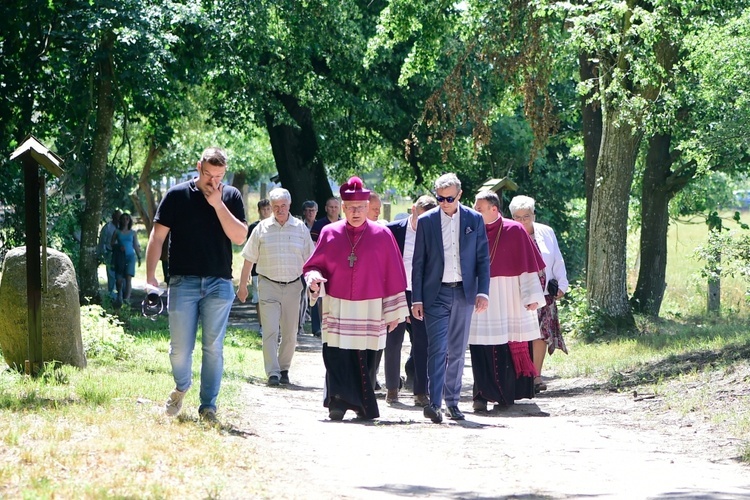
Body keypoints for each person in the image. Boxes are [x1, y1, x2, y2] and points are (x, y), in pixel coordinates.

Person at [145, 147, 247, 424]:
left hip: (219, 282)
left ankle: (208, 406)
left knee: (213, 347)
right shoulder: (177, 195)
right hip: (182, 281)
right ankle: (181, 387)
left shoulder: (230, 196)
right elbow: (157, 238)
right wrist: (151, 276)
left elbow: (239, 237)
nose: (213, 181)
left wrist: (218, 204)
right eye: (209, 174)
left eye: (219, 176)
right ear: (198, 166)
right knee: (180, 349)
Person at [303, 177, 408, 421]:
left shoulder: (382, 234)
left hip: (370, 307)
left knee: (365, 358)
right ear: (343, 208)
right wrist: (314, 278)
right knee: (336, 354)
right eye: (350, 208)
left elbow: (393, 274)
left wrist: (393, 313)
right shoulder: (329, 232)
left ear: (368, 207)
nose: (356, 212)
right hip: (337, 305)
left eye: (360, 208)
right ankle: (337, 403)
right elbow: (314, 266)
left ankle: (362, 405)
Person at [411, 173, 490, 423]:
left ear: (459, 195)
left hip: (464, 292)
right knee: (438, 349)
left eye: (449, 198)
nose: (444, 202)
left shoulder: (474, 219)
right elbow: (418, 263)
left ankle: (453, 402)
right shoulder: (426, 221)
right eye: (440, 198)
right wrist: (417, 299)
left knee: (457, 350)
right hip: (436, 293)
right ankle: (434, 403)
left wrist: (482, 292)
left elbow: (482, 259)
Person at [469, 191, 546, 411]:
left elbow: (528, 267)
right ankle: (480, 395)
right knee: (479, 345)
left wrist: (531, 296)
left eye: (479, 209)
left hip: (509, 295)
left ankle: (505, 395)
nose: (475, 212)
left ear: (494, 209)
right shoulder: (471, 230)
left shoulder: (514, 229)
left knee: (504, 345)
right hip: (480, 294)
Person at [237, 188, 314, 386]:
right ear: (270, 208)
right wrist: (243, 285)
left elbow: (311, 260)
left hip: (293, 286)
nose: (280, 210)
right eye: (276, 207)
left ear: (289, 206)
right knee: (270, 330)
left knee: (290, 332)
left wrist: (313, 282)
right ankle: (272, 372)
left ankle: (284, 368)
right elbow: (248, 259)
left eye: (283, 206)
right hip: (268, 284)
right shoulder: (261, 229)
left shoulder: (300, 228)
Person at [509, 195, 569, 393]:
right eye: (517, 217)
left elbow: (557, 260)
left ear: (533, 215)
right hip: (519, 293)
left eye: (526, 216)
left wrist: (562, 284)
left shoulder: (546, 232)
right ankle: (520, 375)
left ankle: (536, 375)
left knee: (541, 334)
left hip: (544, 293)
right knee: (519, 335)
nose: (522, 221)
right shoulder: (509, 233)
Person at [385, 195, 437, 406]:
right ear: (412, 210)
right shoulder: (392, 230)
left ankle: (420, 391)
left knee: (422, 342)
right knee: (393, 340)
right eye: (420, 217)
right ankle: (392, 389)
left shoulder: (435, 233)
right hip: (396, 292)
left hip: (422, 294)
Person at [309, 196, 341, 337]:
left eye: (336, 207)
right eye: (331, 207)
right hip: (322, 266)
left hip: (340, 267)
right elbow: (313, 245)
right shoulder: (319, 225)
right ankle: (318, 327)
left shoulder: (345, 223)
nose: (333, 210)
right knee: (318, 296)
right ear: (326, 208)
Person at [111, 212, 142, 304]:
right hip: (120, 257)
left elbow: (135, 245)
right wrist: (118, 246)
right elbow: (111, 244)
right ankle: (119, 295)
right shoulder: (117, 231)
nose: (125, 221)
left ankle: (126, 299)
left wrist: (139, 257)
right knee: (119, 279)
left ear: (129, 221)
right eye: (123, 219)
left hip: (130, 257)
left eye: (127, 219)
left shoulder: (133, 233)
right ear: (120, 220)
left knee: (128, 278)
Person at [248, 199, 272, 307]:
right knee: (257, 298)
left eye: (268, 209)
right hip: (256, 268)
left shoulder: (275, 227)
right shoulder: (253, 227)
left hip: (271, 267)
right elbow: (250, 249)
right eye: (263, 209)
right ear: (259, 211)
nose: (266, 212)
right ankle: (261, 324)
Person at [98, 209, 122, 300]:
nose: (118, 219)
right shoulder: (107, 227)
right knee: (111, 275)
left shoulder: (122, 227)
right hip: (110, 253)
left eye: (120, 217)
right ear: (113, 217)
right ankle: (112, 296)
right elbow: (102, 242)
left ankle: (120, 295)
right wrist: (102, 254)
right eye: (117, 217)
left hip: (120, 254)